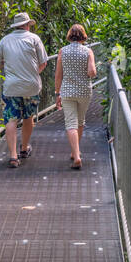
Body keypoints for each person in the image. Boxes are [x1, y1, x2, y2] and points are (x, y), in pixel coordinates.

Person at [0, 12, 47, 168]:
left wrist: (9, 66)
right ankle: (24, 148)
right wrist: (32, 73)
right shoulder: (34, 39)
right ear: (28, 25)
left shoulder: (5, 40)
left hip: (11, 87)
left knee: (11, 119)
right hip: (31, 86)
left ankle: (13, 157)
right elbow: (43, 63)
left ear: (15, 26)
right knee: (29, 117)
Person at [54, 24, 96, 170]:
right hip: (84, 91)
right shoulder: (88, 51)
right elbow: (92, 72)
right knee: (80, 121)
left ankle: (76, 155)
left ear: (69, 35)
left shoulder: (62, 51)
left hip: (67, 92)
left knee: (70, 123)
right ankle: (75, 152)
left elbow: (58, 75)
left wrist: (57, 93)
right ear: (83, 36)